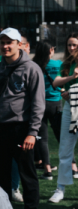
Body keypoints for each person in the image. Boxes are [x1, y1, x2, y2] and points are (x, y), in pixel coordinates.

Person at [0, 27, 45, 209]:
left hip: (21, 129)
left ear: (19, 45)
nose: (5, 46)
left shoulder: (31, 69)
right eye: (2, 43)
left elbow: (38, 104)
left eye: (9, 42)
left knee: (27, 174)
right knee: (0, 175)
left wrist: (32, 132)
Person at [48, 31, 78, 203]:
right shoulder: (66, 64)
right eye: (69, 45)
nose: (72, 48)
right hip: (70, 108)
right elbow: (56, 82)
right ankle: (60, 189)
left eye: (75, 44)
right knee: (65, 149)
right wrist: (70, 80)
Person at [32, 41, 62, 181]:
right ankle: (72, 166)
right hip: (55, 103)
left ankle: (47, 170)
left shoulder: (34, 65)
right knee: (62, 137)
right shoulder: (58, 64)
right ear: (50, 50)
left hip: (39, 104)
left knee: (42, 139)